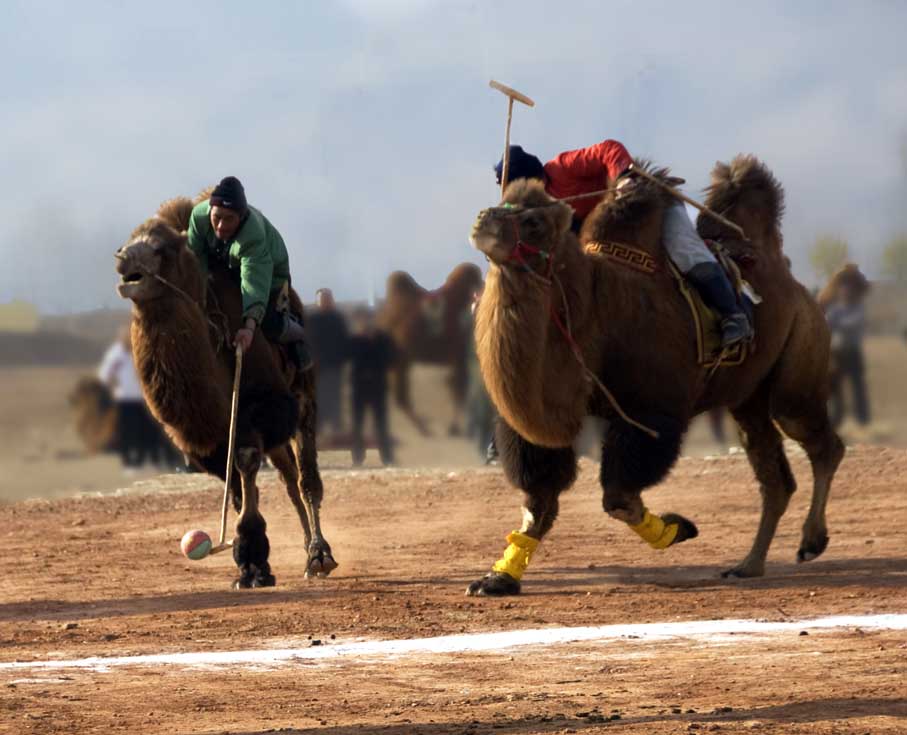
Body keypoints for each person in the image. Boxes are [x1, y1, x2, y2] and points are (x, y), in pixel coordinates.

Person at [495, 143, 752, 348]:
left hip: (650, 203)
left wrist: (622, 177)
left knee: (684, 251)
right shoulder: (540, 213)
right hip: (607, 235)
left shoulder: (562, 166)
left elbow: (607, 148)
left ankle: (733, 315)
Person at [187, 176, 311, 369]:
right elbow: (196, 257)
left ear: (241, 217)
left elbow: (254, 281)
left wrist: (249, 327)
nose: (220, 226)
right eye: (217, 217)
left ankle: (299, 332)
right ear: (210, 210)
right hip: (227, 264)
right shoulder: (198, 217)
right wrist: (198, 299)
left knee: (267, 322)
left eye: (229, 219)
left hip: (270, 273)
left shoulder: (252, 234)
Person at [98, 325, 178, 470]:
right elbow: (105, 375)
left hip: (144, 399)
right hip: (125, 400)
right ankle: (129, 462)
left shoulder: (139, 350)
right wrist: (113, 387)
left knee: (148, 430)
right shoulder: (116, 354)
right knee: (128, 431)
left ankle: (147, 460)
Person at [821, 264, 871, 427]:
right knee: (836, 389)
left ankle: (863, 419)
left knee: (857, 385)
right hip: (837, 353)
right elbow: (828, 324)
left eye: (849, 288)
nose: (846, 291)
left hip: (853, 351)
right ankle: (836, 420)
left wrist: (835, 324)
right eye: (843, 288)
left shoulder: (858, 308)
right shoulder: (835, 309)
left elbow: (853, 323)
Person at [347, 307, 396, 467]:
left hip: (377, 385)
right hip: (359, 386)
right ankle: (358, 458)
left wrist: (376, 344)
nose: (365, 323)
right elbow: (347, 357)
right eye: (362, 320)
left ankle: (387, 457)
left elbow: (391, 359)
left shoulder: (383, 339)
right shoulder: (354, 340)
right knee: (357, 423)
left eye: (368, 319)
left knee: (381, 423)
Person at [307, 288, 349, 434]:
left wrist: (342, 360)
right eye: (322, 299)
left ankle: (336, 429)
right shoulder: (311, 320)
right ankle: (317, 429)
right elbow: (307, 342)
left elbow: (345, 341)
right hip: (316, 367)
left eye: (328, 298)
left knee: (335, 396)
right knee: (317, 397)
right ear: (317, 301)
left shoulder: (338, 320)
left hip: (334, 365)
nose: (325, 302)